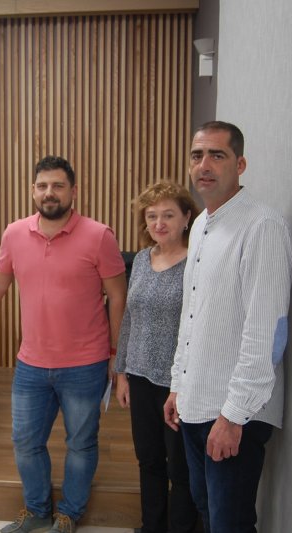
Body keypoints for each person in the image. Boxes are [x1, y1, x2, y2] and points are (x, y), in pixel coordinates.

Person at [0, 156, 127, 533]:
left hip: (86, 363)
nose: (49, 193)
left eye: (58, 186)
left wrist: (118, 354)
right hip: (31, 363)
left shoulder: (99, 235)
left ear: (74, 192)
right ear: (33, 190)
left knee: (81, 443)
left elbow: (118, 296)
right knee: (25, 441)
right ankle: (36, 510)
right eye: (42, 186)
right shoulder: (15, 233)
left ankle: (69, 513)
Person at [163, 121, 292, 533]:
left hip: (235, 412)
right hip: (196, 402)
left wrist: (234, 417)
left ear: (240, 164)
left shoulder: (262, 226)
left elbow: (267, 333)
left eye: (217, 155)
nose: (204, 165)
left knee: (230, 524)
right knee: (208, 511)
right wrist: (177, 384)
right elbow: (193, 314)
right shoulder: (200, 225)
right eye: (197, 155)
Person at [114, 181, 200, 533]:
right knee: (149, 460)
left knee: (179, 468)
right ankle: (152, 526)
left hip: (177, 383)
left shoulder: (196, 262)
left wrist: (181, 385)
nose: (159, 223)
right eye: (152, 216)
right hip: (140, 377)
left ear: (186, 218)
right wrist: (121, 373)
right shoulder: (142, 261)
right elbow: (129, 318)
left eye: (168, 215)